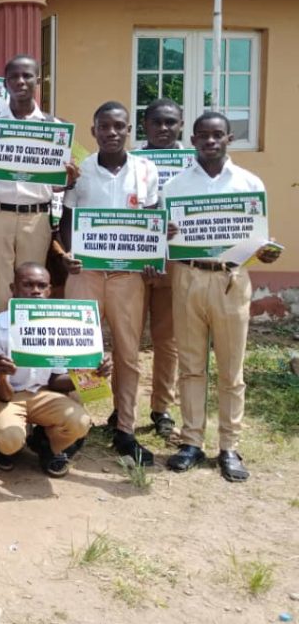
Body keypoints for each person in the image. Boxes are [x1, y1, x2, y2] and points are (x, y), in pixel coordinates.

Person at [164, 112, 281, 482]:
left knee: (231, 369)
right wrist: (163, 232)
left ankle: (229, 446)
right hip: (188, 276)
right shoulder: (176, 185)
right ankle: (192, 441)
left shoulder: (249, 182)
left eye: (217, 135)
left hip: (231, 278)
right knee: (192, 365)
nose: (210, 141)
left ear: (229, 137)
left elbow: (258, 235)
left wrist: (266, 251)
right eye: (203, 135)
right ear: (193, 138)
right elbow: (161, 238)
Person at [59, 101, 159, 465]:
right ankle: (75, 425)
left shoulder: (146, 171)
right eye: (105, 126)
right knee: (80, 348)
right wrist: (68, 253)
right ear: (94, 131)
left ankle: (125, 429)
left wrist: (150, 260)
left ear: (129, 130)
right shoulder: (81, 171)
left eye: (119, 126)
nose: (112, 132)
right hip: (86, 272)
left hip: (128, 276)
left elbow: (151, 222)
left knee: (128, 353)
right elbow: (66, 219)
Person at [0, 263, 104, 476]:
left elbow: (57, 381)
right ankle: (1, 448)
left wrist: (94, 374)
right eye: (27, 285)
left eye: (41, 286)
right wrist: (2, 375)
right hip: (6, 395)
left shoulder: (58, 327)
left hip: (41, 393)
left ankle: (45, 444)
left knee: (80, 422)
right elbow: (1, 394)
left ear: (49, 291)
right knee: (9, 440)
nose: (35, 291)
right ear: (13, 289)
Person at [0, 56, 77, 321]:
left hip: (37, 217)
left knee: (32, 285)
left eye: (27, 76)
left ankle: (25, 347)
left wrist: (68, 179)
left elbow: (59, 185)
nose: (21, 82)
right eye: (14, 76)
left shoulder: (55, 127)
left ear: (38, 80)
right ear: (5, 82)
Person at [134, 98, 185, 437]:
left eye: (171, 122)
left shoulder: (193, 165)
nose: (164, 129)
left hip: (175, 263)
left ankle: (161, 409)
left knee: (167, 341)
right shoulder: (132, 163)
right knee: (127, 341)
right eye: (157, 123)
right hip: (134, 260)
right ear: (145, 126)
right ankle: (120, 408)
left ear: (181, 125)